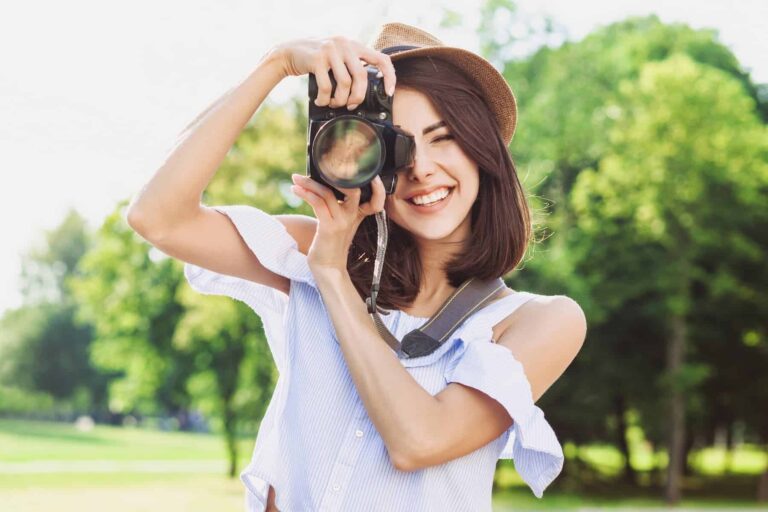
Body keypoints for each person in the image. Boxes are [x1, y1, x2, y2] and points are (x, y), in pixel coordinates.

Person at [127, 21, 587, 512]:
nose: (421, 168)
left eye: (444, 137)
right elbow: (158, 218)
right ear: (358, 160)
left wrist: (331, 276)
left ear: (483, 152)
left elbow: (418, 442)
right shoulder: (317, 246)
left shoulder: (538, 321)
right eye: (395, 146)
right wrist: (275, 65)